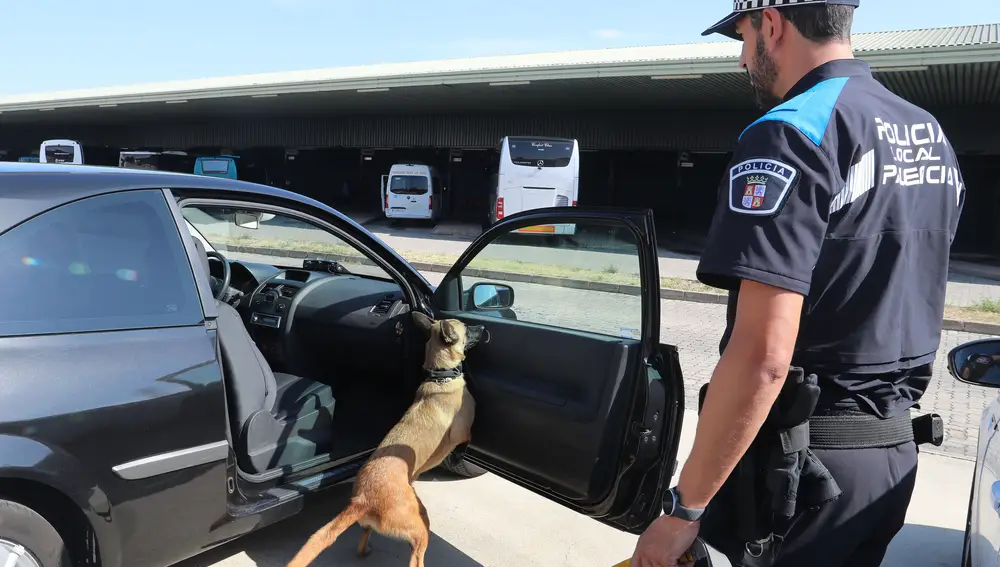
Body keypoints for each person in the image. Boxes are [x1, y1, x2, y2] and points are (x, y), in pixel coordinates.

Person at [628, 1, 966, 566]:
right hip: (892, 457)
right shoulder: (928, 133)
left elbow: (764, 355)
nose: (742, 59)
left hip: (806, 473)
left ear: (773, 23)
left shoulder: (789, 132)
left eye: (742, 36)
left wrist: (684, 511)